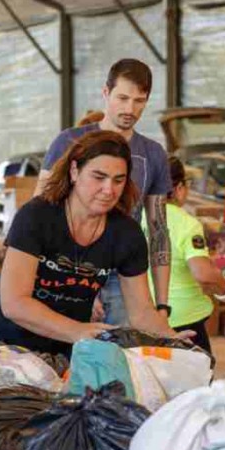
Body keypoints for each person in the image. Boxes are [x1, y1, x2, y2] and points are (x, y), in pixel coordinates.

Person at [0, 130, 180, 357]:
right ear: (74, 171)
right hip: (0, 339)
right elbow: (14, 303)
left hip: (62, 344)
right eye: (98, 177)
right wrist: (77, 330)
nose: (109, 190)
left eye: (118, 180)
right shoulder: (37, 216)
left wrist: (172, 338)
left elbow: (141, 313)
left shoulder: (126, 234)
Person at [38, 59, 172, 328]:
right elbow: (39, 211)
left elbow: (158, 230)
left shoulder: (153, 154)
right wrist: (77, 283)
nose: (130, 109)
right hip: (67, 267)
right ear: (106, 93)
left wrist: (162, 304)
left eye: (139, 101)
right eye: (122, 98)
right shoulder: (69, 141)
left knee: (121, 348)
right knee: (67, 347)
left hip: (123, 273)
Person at [142, 157, 225, 354]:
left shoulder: (135, 218)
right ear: (179, 188)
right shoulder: (186, 224)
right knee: (195, 372)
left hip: (143, 317)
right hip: (184, 322)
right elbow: (203, 274)